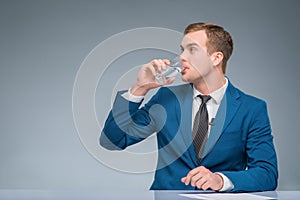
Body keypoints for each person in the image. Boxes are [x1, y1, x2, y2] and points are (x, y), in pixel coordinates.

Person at [100, 22, 278, 192]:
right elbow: (113, 140)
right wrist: (140, 87)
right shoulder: (166, 99)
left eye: (192, 50)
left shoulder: (252, 109)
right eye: (182, 50)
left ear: (216, 58)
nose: (182, 57)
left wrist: (220, 180)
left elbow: (267, 174)